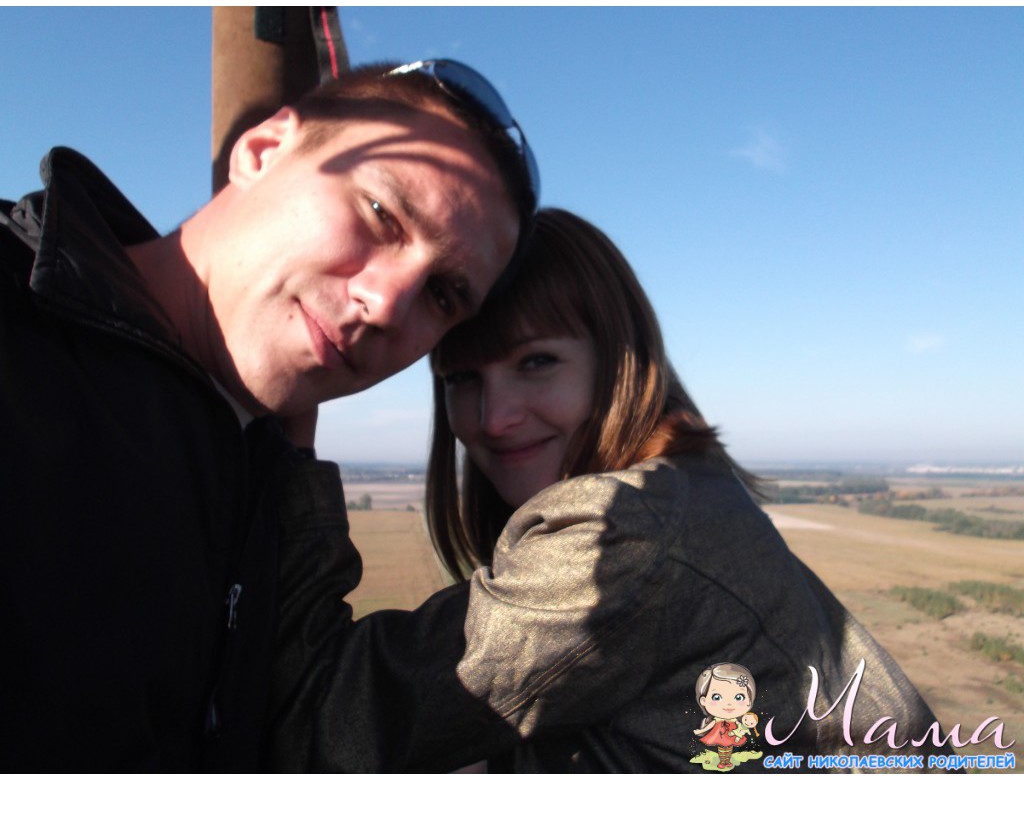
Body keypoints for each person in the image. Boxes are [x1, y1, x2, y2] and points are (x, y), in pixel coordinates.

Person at [273, 208, 951, 772]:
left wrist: (290, 435)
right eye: (462, 379)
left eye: (537, 362)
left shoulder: (622, 537)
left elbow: (320, 721)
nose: (492, 418)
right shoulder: (688, 487)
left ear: (619, 364)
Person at [0, 59, 537, 771]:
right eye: (381, 214)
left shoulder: (268, 483)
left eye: (442, 294)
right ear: (260, 150)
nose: (387, 304)